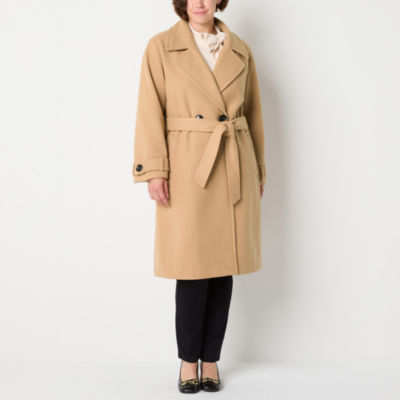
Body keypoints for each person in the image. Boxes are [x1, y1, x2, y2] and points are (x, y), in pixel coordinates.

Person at [132, 0, 266, 393]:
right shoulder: (161, 47)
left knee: (223, 268)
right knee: (191, 268)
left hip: (232, 166)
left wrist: (257, 169)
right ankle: (188, 360)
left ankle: (212, 359)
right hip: (187, 167)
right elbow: (148, 110)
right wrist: (154, 169)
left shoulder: (240, 50)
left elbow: (254, 114)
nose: (200, 2)